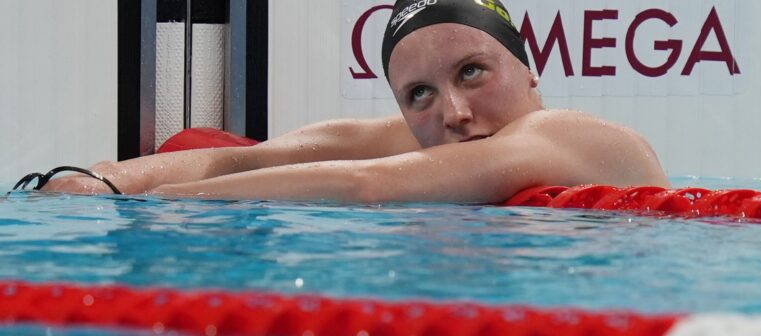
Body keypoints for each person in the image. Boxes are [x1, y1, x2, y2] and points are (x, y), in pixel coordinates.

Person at [44, 0, 669, 202]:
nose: (452, 112)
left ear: (530, 71)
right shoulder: (431, 145)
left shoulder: (568, 135)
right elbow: (243, 161)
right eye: (419, 94)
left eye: (473, 72)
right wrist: (101, 183)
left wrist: (162, 204)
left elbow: (365, 185)